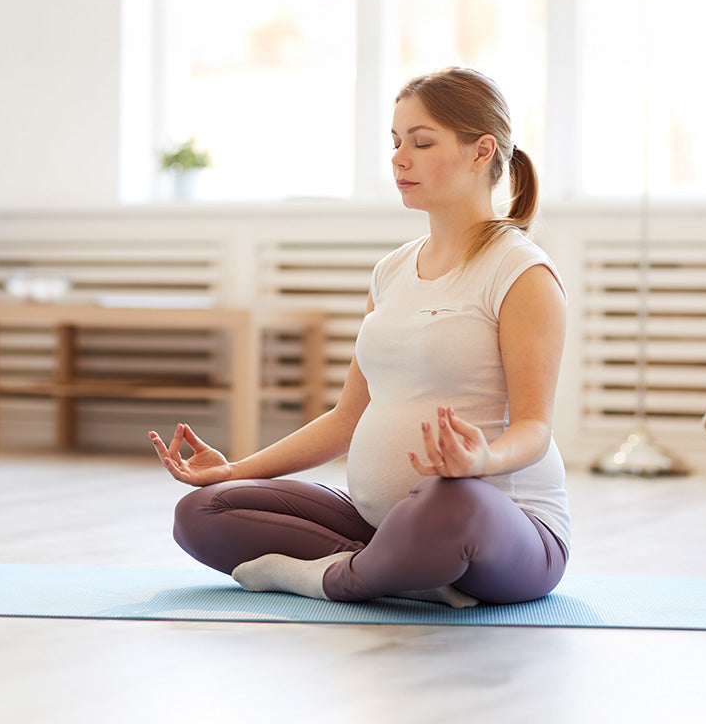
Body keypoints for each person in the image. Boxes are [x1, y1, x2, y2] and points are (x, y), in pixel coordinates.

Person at [149, 67, 569, 607]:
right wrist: (233, 469)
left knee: (448, 505)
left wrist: (480, 462)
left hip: (504, 527)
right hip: (380, 521)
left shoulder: (522, 273)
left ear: (481, 151)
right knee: (204, 511)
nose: (399, 158)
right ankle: (404, 570)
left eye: (421, 142)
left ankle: (333, 578)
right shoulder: (391, 272)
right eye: (395, 142)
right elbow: (347, 420)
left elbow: (535, 428)